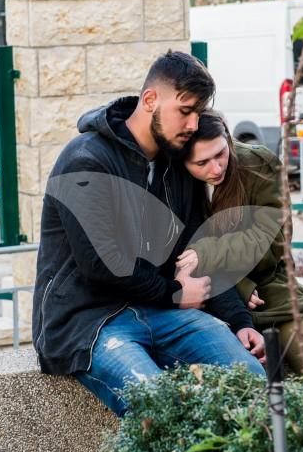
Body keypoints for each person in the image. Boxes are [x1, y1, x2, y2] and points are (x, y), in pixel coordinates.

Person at [32, 51, 266, 417]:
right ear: (150, 100)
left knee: (250, 380)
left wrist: (239, 321)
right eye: (184, 110)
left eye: (198, 112)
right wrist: (175, 293)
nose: (192, 124)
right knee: (158, 408)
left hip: (158, 311)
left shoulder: (175, 164)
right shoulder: (85, 160)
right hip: (89, 323)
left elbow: (194, 250)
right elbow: (101, 263)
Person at [175, 111, 303, 380]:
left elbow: (271, 243)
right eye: (202, 162)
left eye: (220, 154)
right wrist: (238, 285)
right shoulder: (175, 182)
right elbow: (179, 258)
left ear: (227, 138)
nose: (216, 168)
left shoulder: (258, 165)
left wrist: (207, 252)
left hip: (271, 287)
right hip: (212, 299)